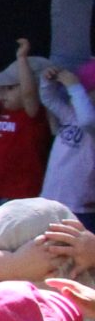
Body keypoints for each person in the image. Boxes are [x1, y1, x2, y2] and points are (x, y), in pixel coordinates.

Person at [0, 43, 53, 208]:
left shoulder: (33, 114)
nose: (3, 93)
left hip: (22, 191)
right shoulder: (5, 109)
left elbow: (29, 94)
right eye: (3, 88)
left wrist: (22, 58)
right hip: (0, 187)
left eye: (11, 87)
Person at [29, 57, 95, 216]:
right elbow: (48, 99)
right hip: (51, 200)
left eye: (88, 92)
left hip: (80, 206)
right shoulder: (70, 115)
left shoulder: (89, 121)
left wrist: (75, 87)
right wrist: (46, 80)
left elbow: (87, 120)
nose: (81, 97)